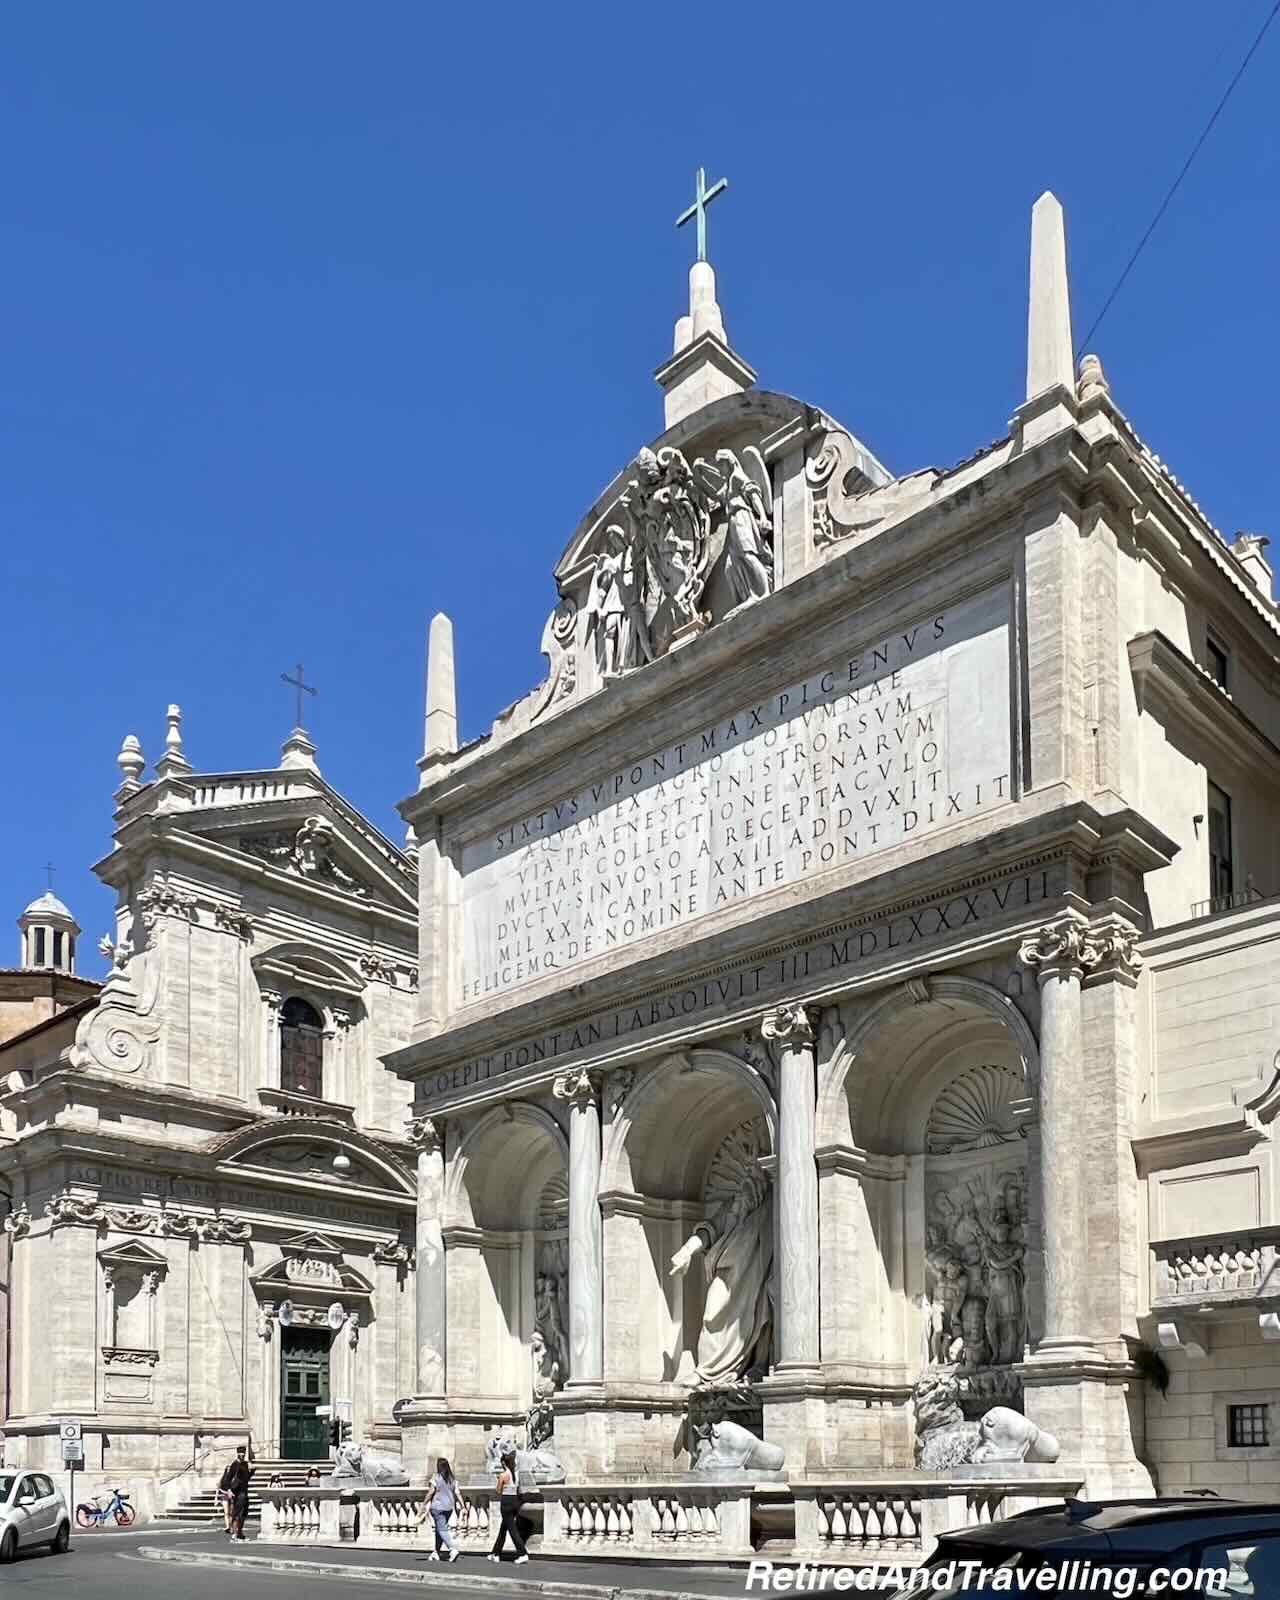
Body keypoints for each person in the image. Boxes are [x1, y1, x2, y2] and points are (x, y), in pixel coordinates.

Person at [486, 1450, 528, 1564]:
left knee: (512, 1530)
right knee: (503, 1529)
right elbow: (519, 1490)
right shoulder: (516, 1475)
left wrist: (499, 1481)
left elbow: (498, 1491)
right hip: (515, 1501)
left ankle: (522, 1553)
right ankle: (495, 1553)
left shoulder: (503, 1475)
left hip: (506, 1502)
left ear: (504, 1463)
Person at [418, 1456, 460, 1562]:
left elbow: (431, 1492)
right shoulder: (452, 1479)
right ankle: (436, 1552)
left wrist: (424, 1504)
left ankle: (452, 1549)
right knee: (439, 1529)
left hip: (438, 1506)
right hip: (449, 1507)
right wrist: (461, 1506)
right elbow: (457, 1493)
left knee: (442, 1529)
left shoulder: (436, 1477)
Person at [219, 1444, 254, 1541]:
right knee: (237, 1513)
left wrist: (252, 1471)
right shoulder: (235, 1464)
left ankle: (240, 1532)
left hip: (244, 1490)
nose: (242, 1454)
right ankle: (235, 1533)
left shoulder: (245, 1464)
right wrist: (229, 1490)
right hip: (237, 1492)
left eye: (243, 1452)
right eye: (241, 1452)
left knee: (243, 1514)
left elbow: (247, 1478)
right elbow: (228, 1479)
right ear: (237, 1453)